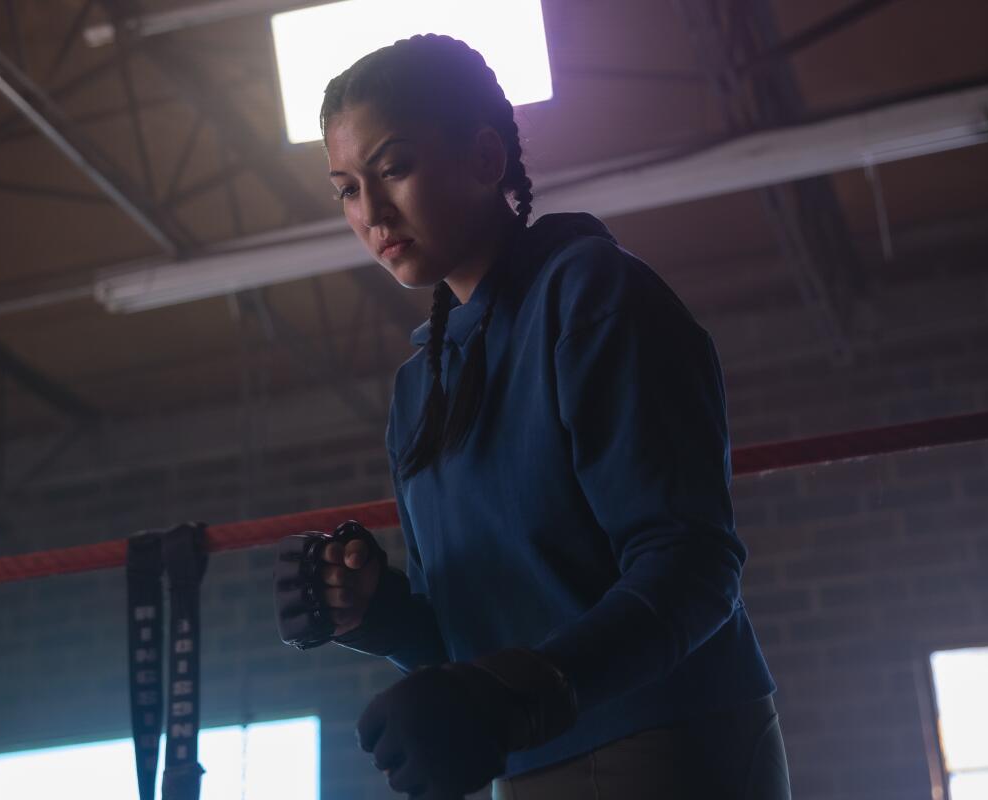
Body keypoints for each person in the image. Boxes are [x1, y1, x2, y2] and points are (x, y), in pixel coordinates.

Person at [273, 33, 792, 800]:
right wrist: (373, 613)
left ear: (486, 160)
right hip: (521, 762)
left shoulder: (592, 297)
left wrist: (516, 693)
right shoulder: (421, 385)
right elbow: (465, 637)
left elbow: (694, 567)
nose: (372, 211)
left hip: (670, 741)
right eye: (347, 188)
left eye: (394, 168)